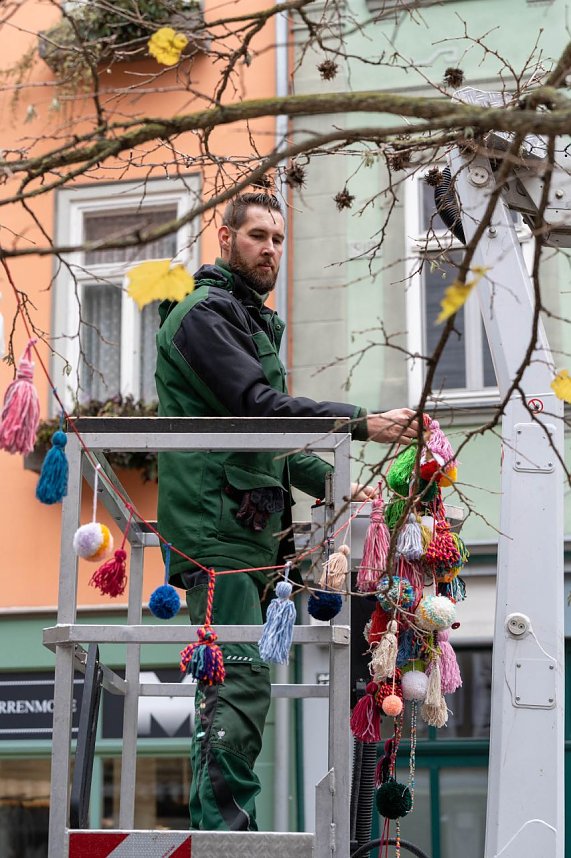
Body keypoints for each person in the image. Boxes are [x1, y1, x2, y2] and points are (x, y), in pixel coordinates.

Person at [155, 191, 418, 832]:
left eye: (278, 239)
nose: (270, 249)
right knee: (237, 681)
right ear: (225, 239)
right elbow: (259, 408)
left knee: (245, 683)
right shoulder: (203, 317)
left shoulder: (244, 320)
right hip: (217, 532)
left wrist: (331, 481)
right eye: (257, 236)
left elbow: (265, 437)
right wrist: (358, 422)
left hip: (245, 531)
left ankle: (227, 825)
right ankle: (223, 832)